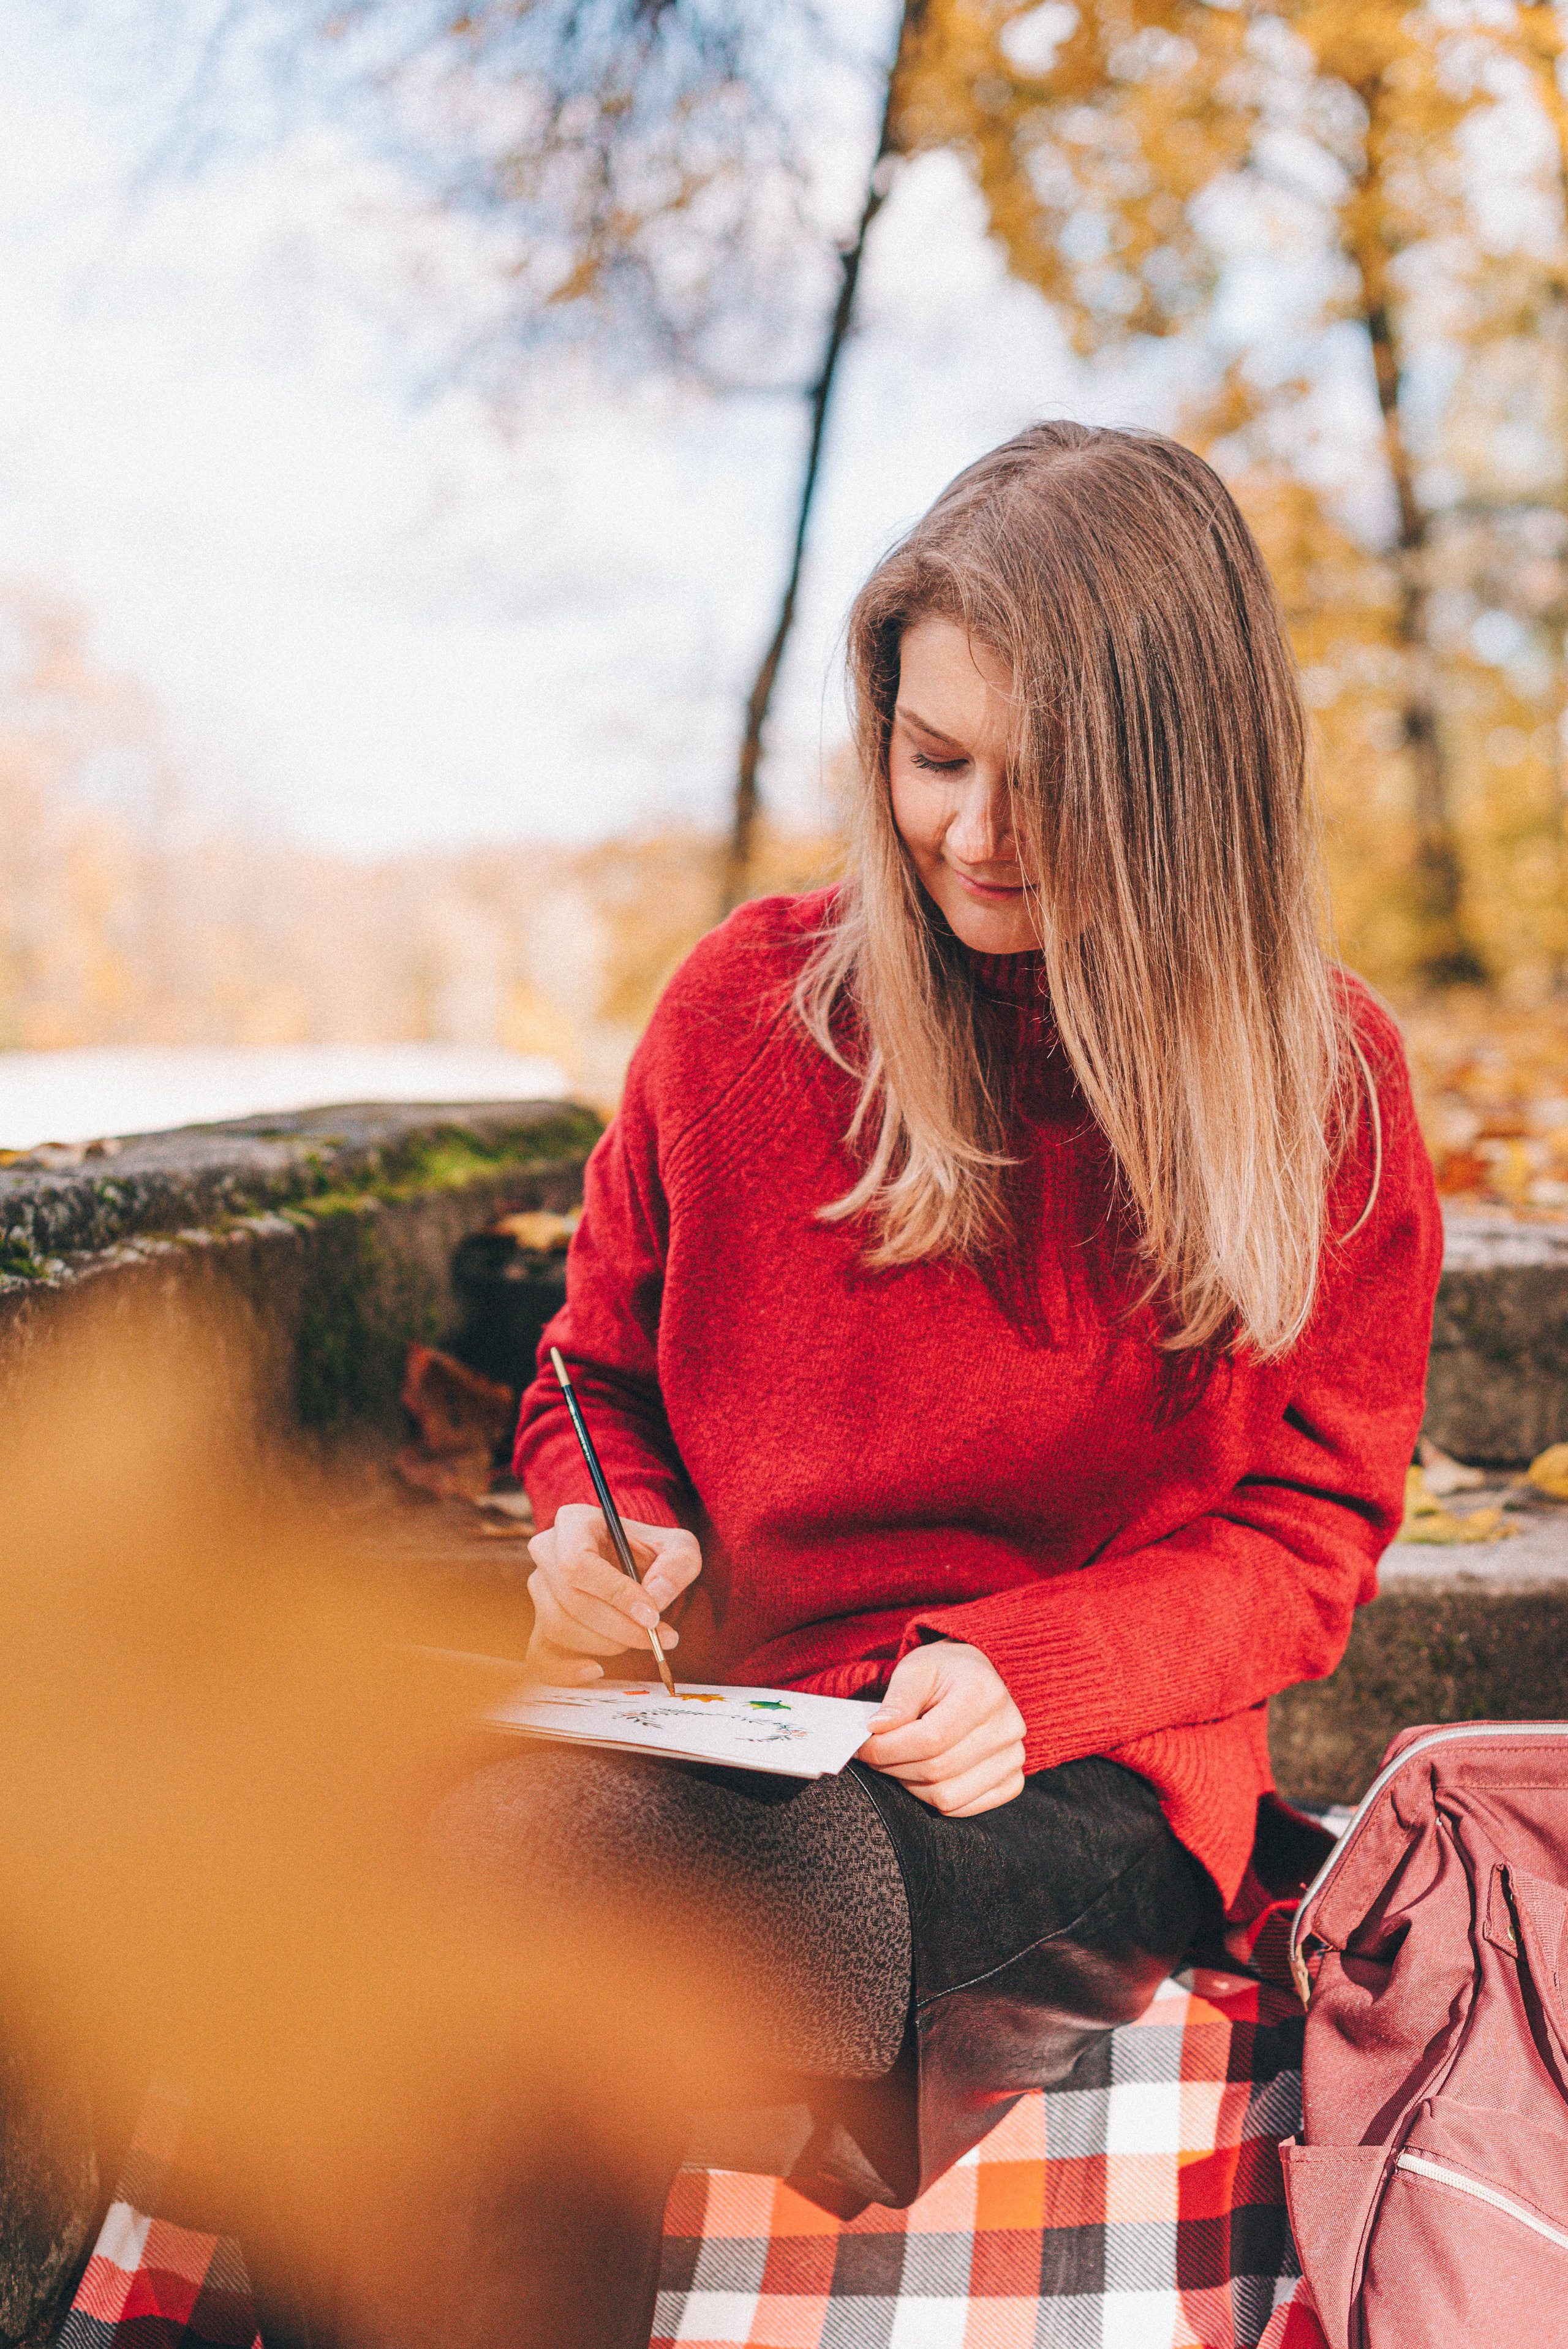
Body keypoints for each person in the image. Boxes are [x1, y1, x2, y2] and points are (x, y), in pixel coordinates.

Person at [344, 422, 1442, 2349]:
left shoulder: (1325, 1087)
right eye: (935, 759)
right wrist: (604, 1527)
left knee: (532, 1912)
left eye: (1052, 783)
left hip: (1078, 1781)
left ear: (1190, 784)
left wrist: (1041, 1670)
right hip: (736, 1729)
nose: (975, 836)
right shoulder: (740, 1015)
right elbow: (595, 1375)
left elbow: (1312, 1537)